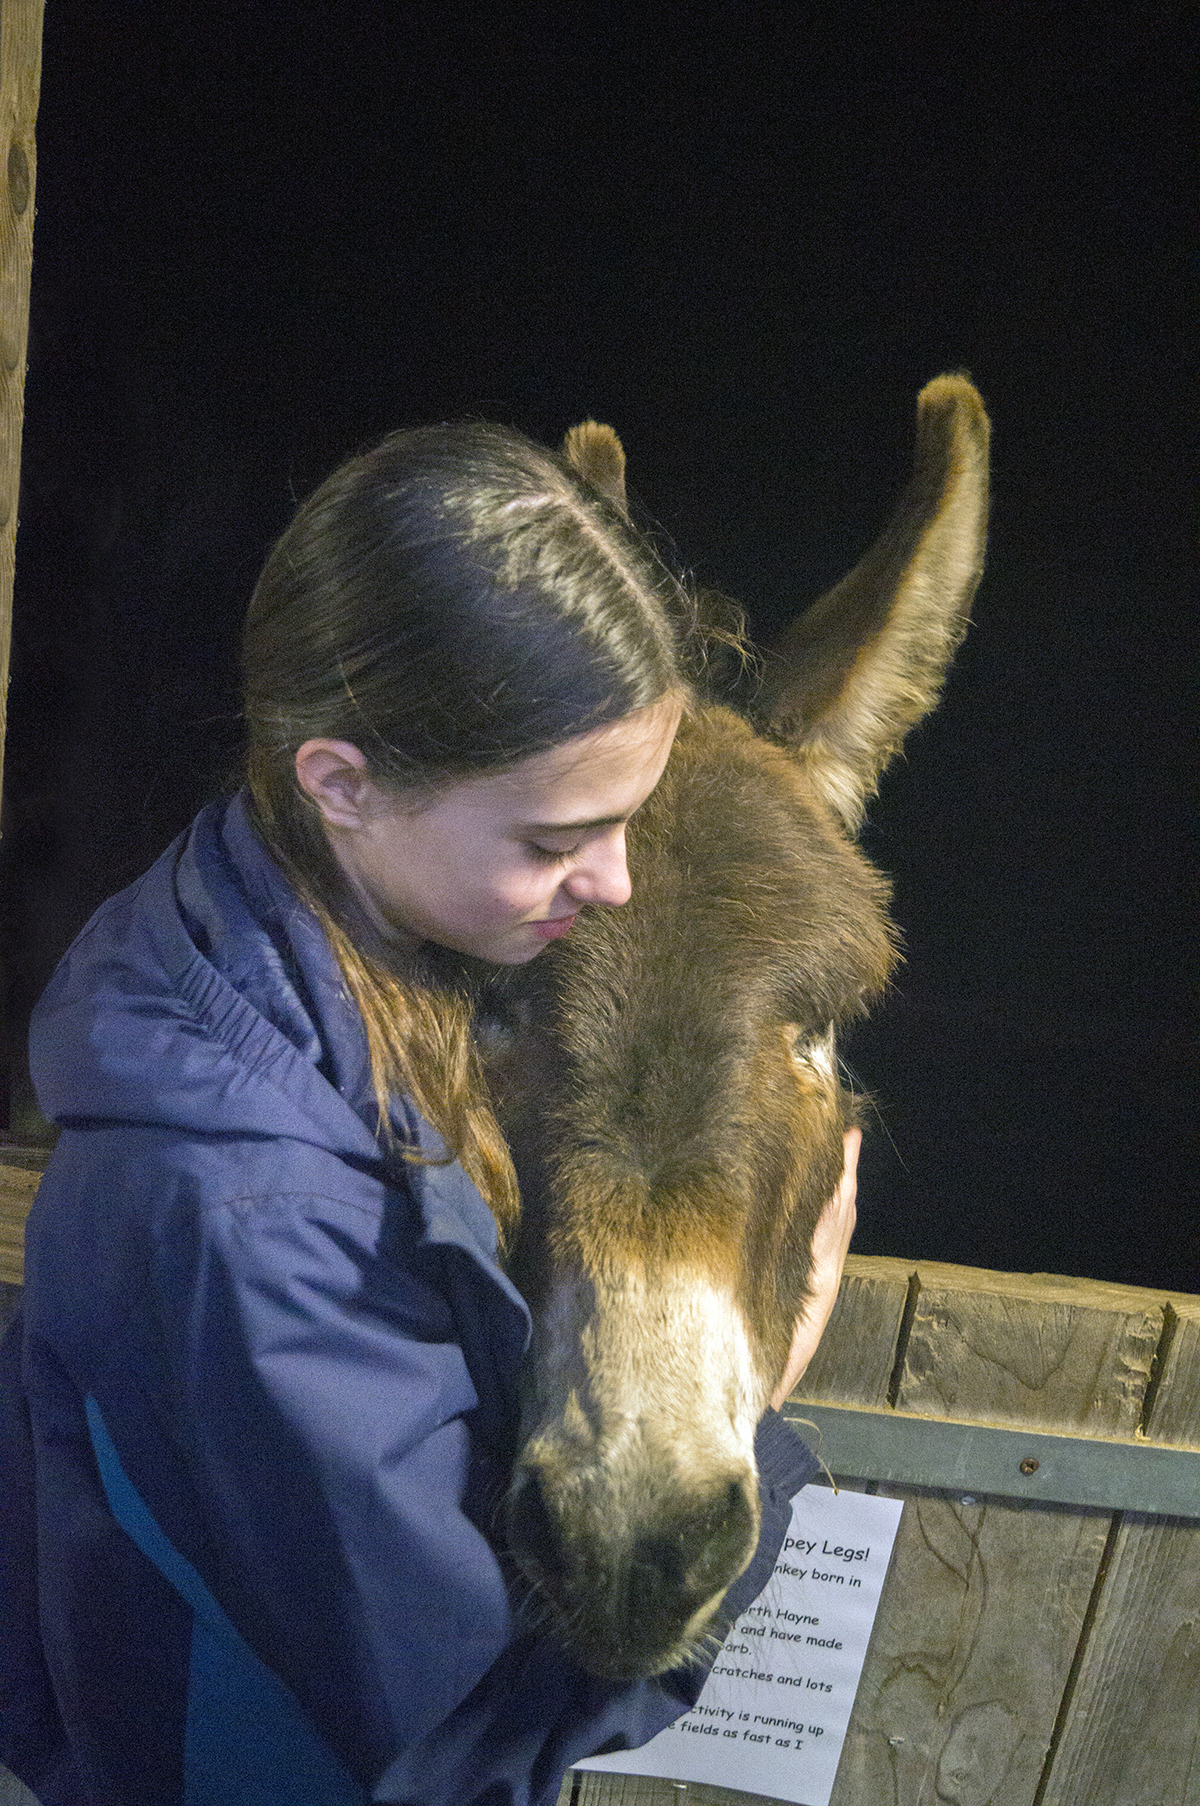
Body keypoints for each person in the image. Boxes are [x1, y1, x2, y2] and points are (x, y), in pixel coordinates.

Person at [0, 421, 859, 1806]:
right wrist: (764, 1393)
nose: (618, 885)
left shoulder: (267, 916)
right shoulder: (254, 1216)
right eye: (552, 839)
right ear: (342, 780)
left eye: (627, 820)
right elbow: (456, 1731)